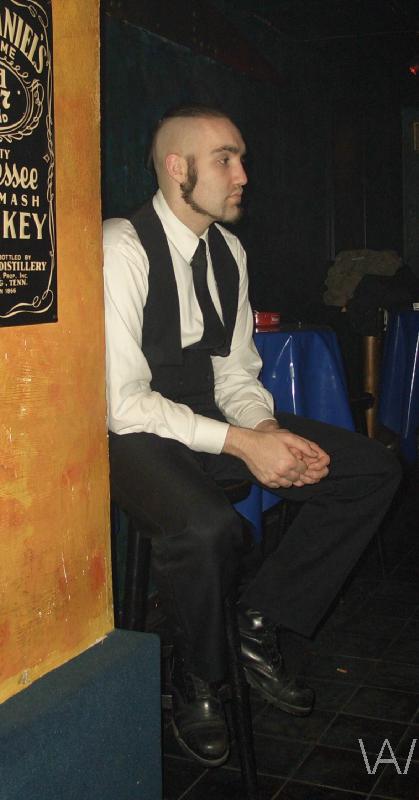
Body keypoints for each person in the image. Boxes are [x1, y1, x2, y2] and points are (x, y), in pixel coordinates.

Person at [103, 105, 401, 767]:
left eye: (240, 159)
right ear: (177, 168)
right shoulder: (121, 246)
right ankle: (198, 675)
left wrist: (263, 427)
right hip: (131, 434)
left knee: (368, 470)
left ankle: (257, 619)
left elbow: (234, 371)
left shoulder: (228, 252)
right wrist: (242, 444)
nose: (242, 175)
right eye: (225, 160)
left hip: (207, 415)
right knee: (209, 528)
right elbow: (123, 403)